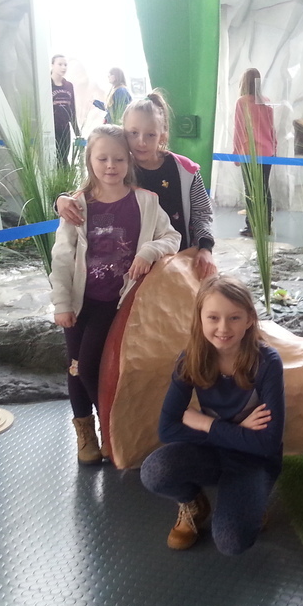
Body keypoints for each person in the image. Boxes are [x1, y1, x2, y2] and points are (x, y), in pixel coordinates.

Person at [50, 124, 181, 465]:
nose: (111, 166)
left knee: (89, 366)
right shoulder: (77, 206)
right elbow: (62, 257)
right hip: (80, 302)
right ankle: (87, 433)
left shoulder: (145, 202)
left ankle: (111, 429)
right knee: (76, 366)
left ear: (129, 161)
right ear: (90, 160)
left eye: (119, 159)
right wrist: (62, 303)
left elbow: (172, 237)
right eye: (103, 158)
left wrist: (149, 250)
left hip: (117, 303)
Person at [140, 274, 285, 554]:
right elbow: (167, 429)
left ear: (249, 319)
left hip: (253, 460)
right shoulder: (190, 359)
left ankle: (250, 504)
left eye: (234, 318)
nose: (223, 328)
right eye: (213, 318)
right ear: (200, 319)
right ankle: (193, 503)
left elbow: (268, 444)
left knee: (232, 542)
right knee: (154, 472)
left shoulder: (267, 362)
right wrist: (237, 429)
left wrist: (206, 423)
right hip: (214, 452)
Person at [56, 89, 217, 279]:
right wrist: (61, 200)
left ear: (162, 136)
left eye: (150, 135)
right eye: (133, 133)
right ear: (123, 133)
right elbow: (91, 191)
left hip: (177, 264)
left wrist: (205, 248)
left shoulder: (185, 170)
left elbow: (202, 213)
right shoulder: (116, 167)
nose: (141, 142)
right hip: (132, 271)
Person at [232, 67, 277, 237]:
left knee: (250, 190)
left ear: (244, 82)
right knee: (264, 188)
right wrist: (274, 149)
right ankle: (266, 225)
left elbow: (239, 130)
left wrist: (236, 154)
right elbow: (272, 129)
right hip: (267, 151)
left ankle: (251, 226)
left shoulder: (242, 102)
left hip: (249, 153)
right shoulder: (267, 102)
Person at [50, 54, 77, 164]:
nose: (63, 67)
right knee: (53, 159)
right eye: (60, 64)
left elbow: (72, 108)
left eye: (65, 65)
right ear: (52, 65)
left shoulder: (68, 86)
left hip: (65, 128)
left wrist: (76, 130)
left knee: (64, 158)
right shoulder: (47, 84)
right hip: (51, 129)